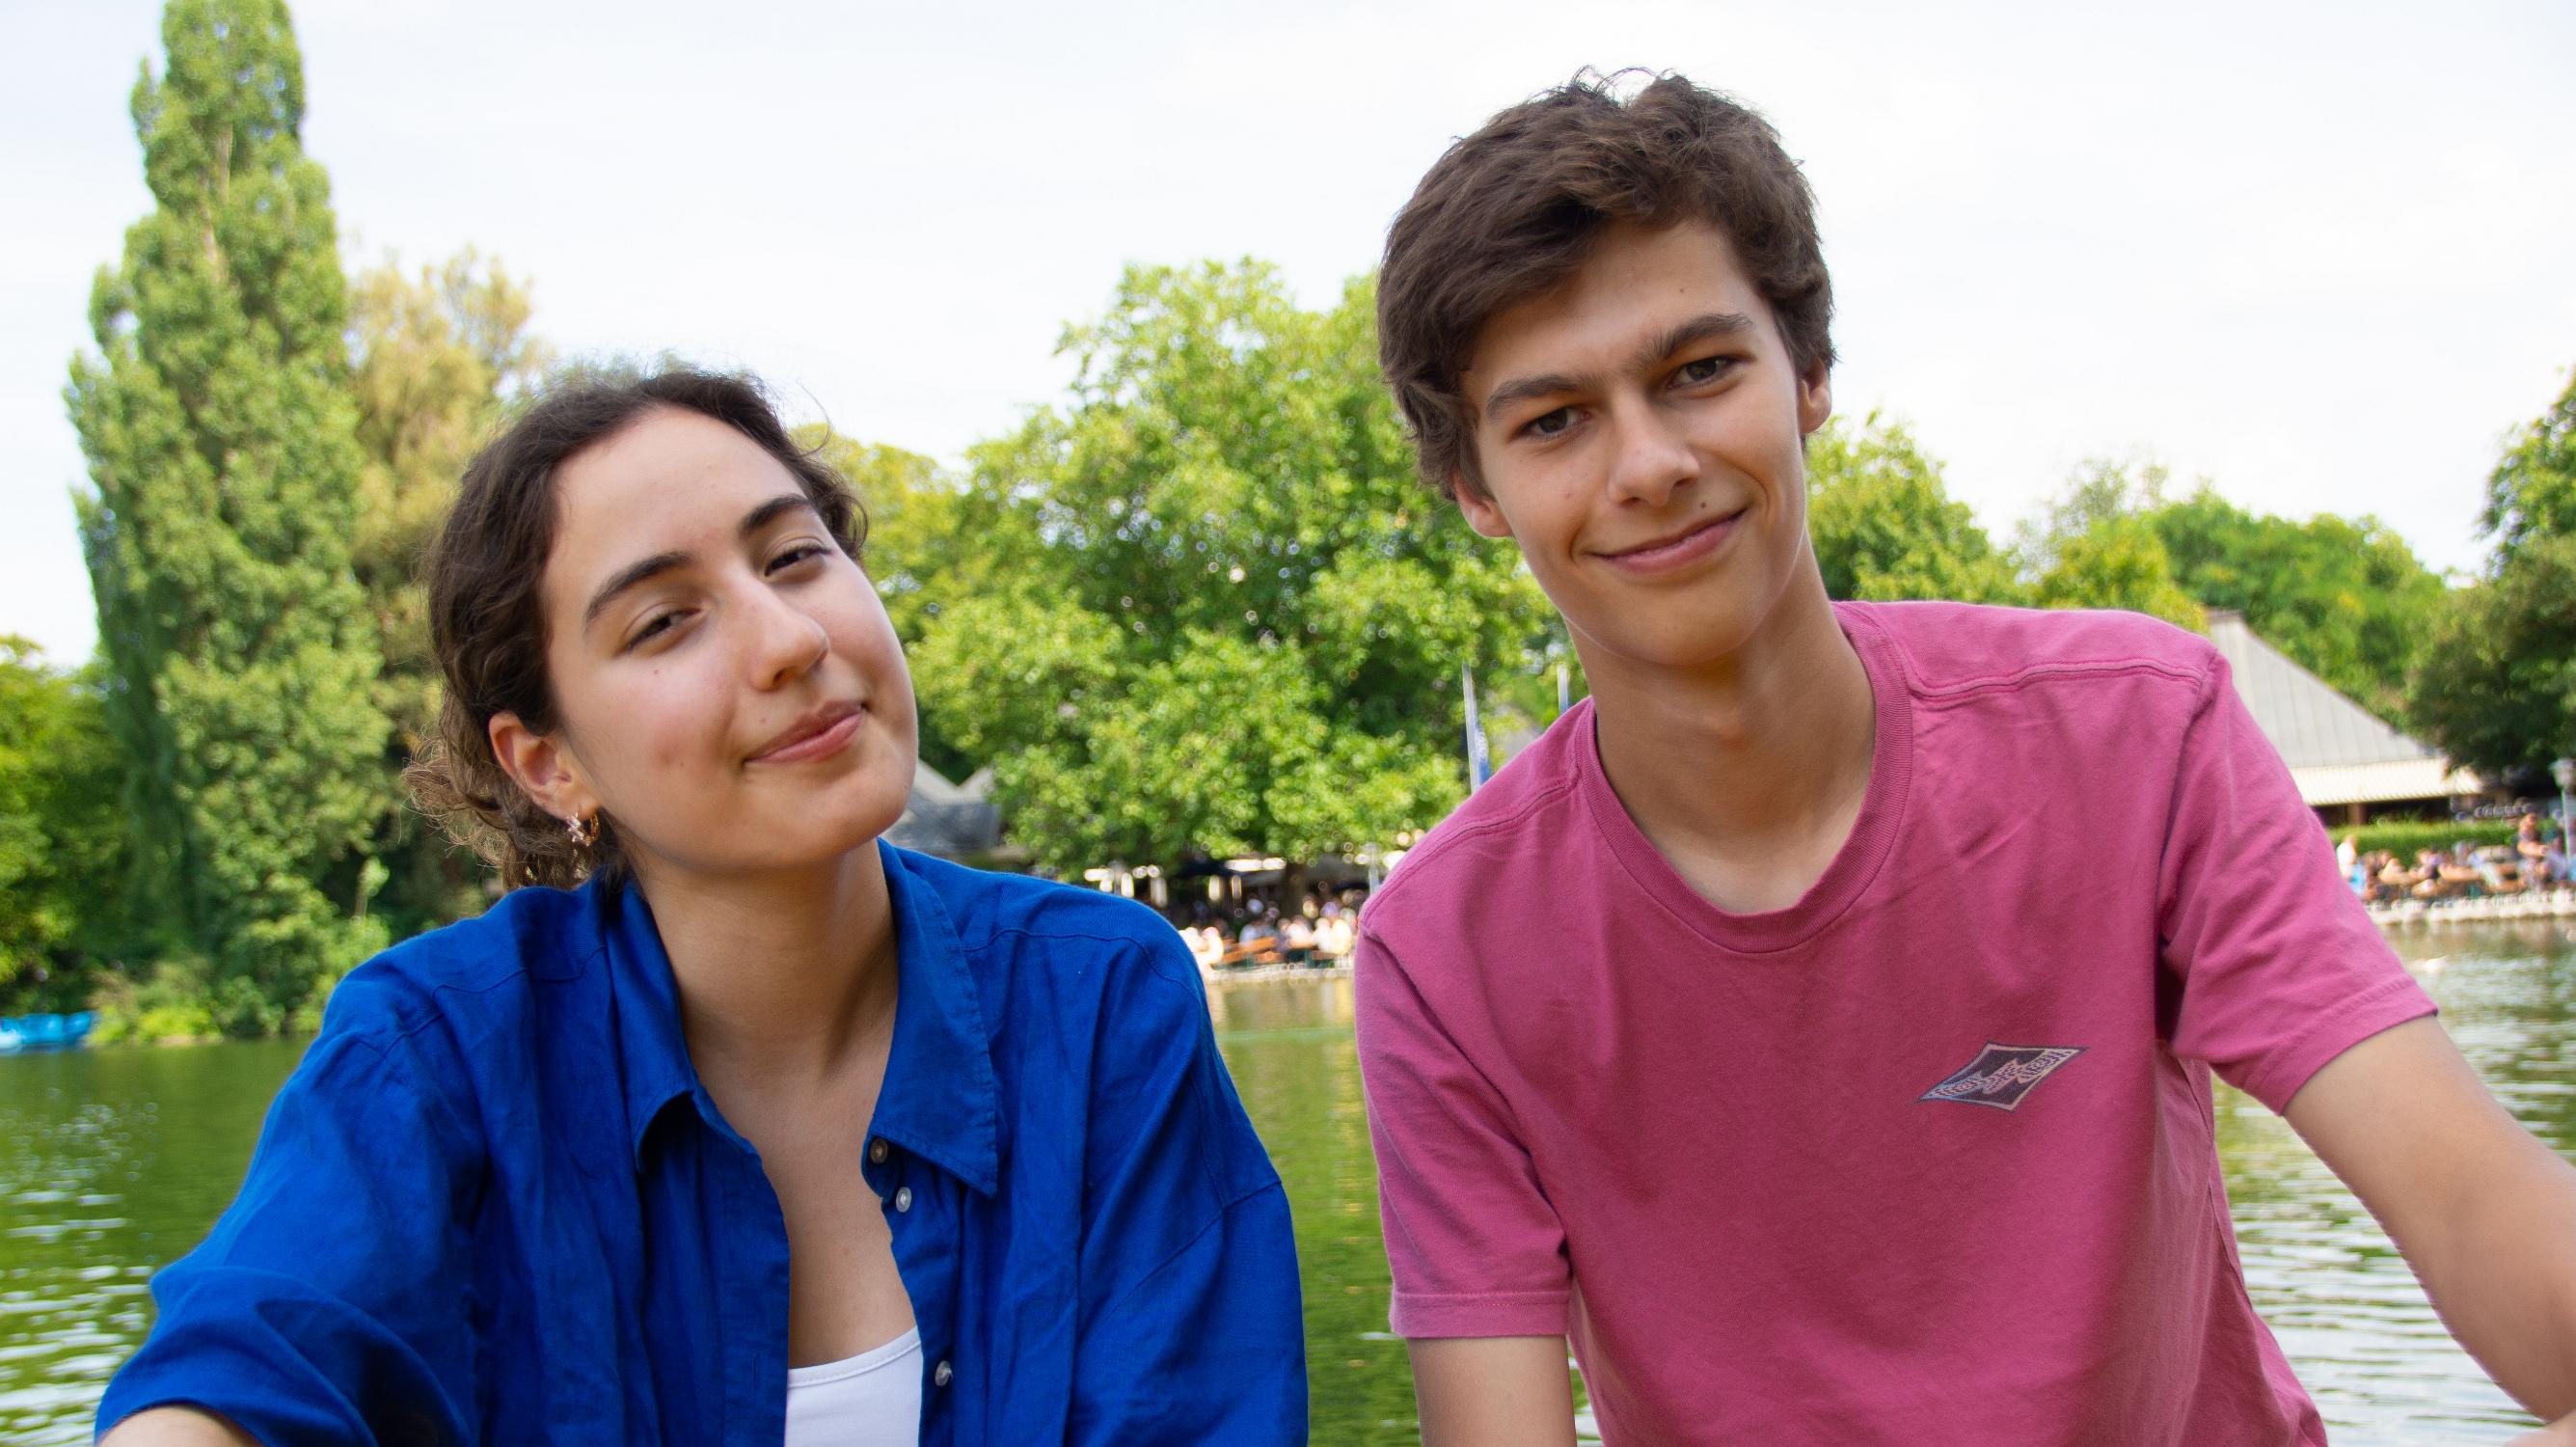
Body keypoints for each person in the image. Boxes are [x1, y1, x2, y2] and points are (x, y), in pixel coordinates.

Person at [1354, 71, 2576, 1446]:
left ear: (1809, 379)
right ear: (1475, 490)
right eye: (1553, 421)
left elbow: (2467, 1196)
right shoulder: (1443, 951)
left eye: (1697, 372)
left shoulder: (2137, 731)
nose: (1646, 464)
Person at [96, 370, 1307, 1445]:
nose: (789, 639)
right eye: (665, 620)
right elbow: (246, 1366)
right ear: (549, 766)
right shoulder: (436, 1054)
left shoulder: (1097, 1001)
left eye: (793, 558)